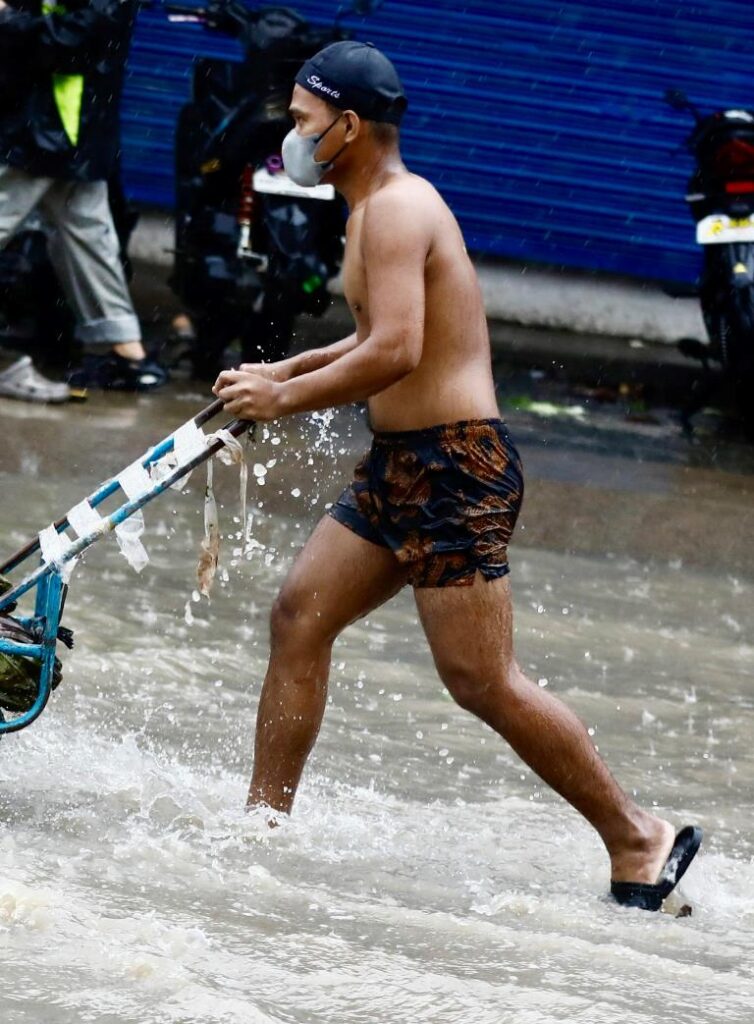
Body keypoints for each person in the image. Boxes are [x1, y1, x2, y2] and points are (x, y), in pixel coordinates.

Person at [214, 41, 702, 911]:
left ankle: (639, 836)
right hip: (402, 464)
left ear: (348, 125)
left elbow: (396, 352)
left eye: (300, 121)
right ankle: (263, 828)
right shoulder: (372, 209)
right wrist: (279, 376)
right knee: (298, 617)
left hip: (454, 467)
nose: (290, 136)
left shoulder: (400, 210)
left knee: (482, 678)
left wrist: (280, 406)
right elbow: (371, 337)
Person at [0, 0, 166, 401]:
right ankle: (123, 349)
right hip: (63, 129)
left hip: (49, 129)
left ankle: (121, 349)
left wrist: (7, 19)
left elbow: (71, 36)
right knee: (88, 236)